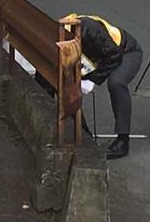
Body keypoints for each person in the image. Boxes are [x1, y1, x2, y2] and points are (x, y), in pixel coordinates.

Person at [59, 14, 142, 160]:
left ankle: (123, 141)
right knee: (67, 83)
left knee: (117, 83)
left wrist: (92, 80)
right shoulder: (60, 36)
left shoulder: (90, 30)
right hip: (98, 57)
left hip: (125, 51)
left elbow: (114, 56)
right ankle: (84, 133)